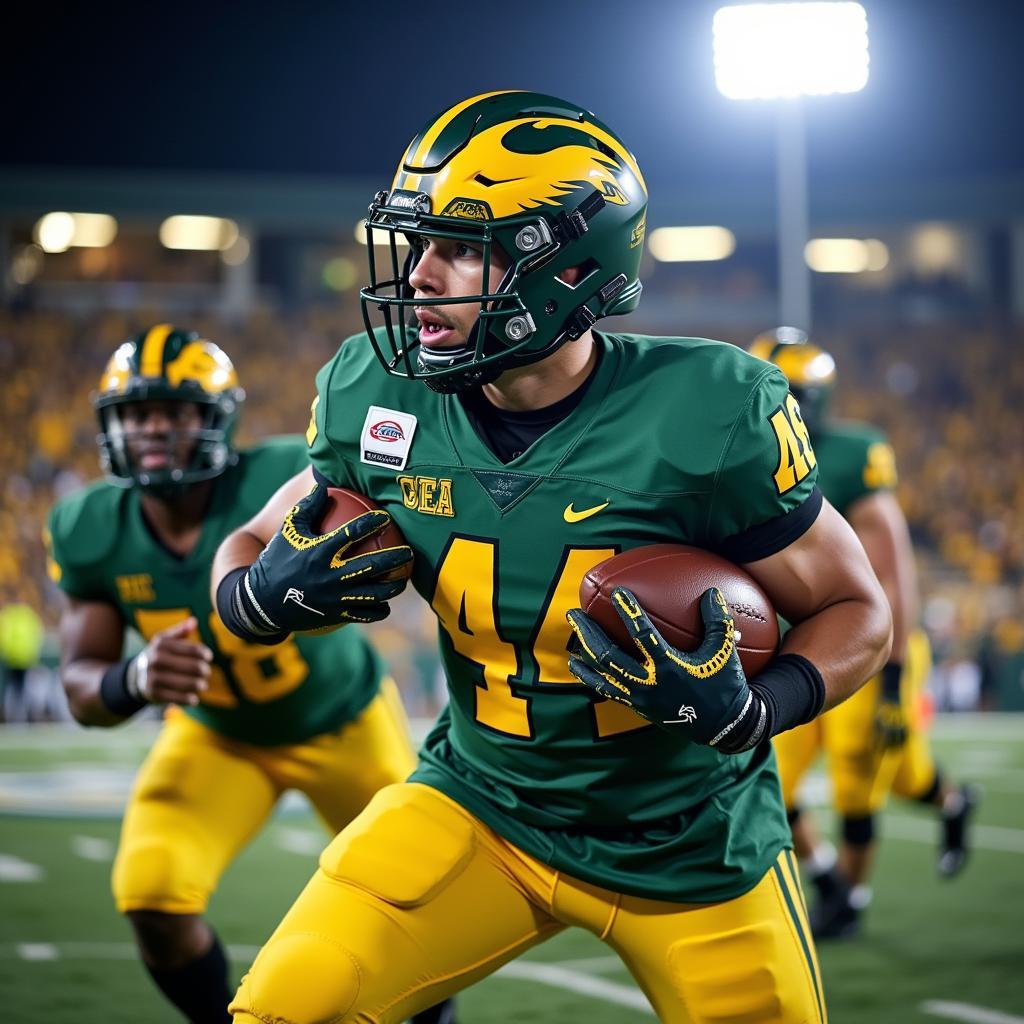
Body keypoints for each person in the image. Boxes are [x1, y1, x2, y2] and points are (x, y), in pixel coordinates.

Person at [213, 91, 892, 1024]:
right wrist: (253, 597)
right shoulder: (380, 394)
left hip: (692, 841)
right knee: (283, 1012)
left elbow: (861, 611)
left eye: (458, 245)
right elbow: (247, 544)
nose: (417, 276)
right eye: (417, 244)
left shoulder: (707, 409)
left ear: (565, 268)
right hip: (485, 804)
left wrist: (756, 710)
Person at [46, 325, 451, 1024]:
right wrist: (136, 679)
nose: (153, 430)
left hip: (344, 721)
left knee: (413, 904)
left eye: (173, 412)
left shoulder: (280, 478)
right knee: (152, 893)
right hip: (218, 734)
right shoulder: (90, 527)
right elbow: (82, 686)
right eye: (138, 414)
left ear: (214, 419)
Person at [750, 328, 979, 940]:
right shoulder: (743, 455)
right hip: (796, 645)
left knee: (866, 777)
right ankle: (828, 876)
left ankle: (852, 897)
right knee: (770, 776)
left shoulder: (853, 456)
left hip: (867, 646)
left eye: (789, 393)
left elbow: (892, 573)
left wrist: (897, 671)